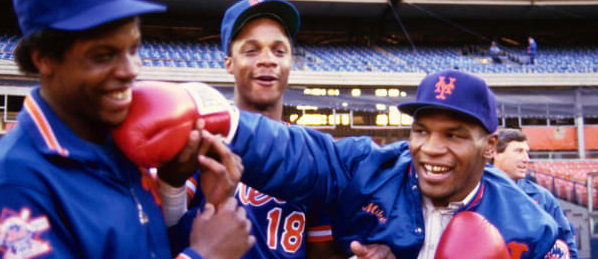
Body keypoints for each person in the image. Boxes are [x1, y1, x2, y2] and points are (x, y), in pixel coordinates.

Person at [0, 0, 252, 259]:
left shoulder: (114, 136)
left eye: (133, 49)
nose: (130, 70)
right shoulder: (15, 184)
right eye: (104, 55)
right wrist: (205, 256)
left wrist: (172, 184)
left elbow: (144, 246)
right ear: (44, 59)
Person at [222, 69, 568, 258]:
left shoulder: (533, 227)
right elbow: (299, 152)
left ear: (489, 146)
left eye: (453, 135)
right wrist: (221, 122)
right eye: (421, 130)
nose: (431, 148)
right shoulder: (368, 169)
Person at [177, 0, 346, 258]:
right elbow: (164, 225)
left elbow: (321, 251)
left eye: (279, 51)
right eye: (251, 50)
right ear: (229, 63)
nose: (268, 60)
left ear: (291, 63)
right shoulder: (204, 137)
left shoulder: (310, 154)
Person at [490, 129, 578, 258]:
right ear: (495, 153)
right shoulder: (476, 192)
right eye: (519, 151)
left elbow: (566, 243)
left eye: (527, 152)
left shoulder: (543, 197)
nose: (526, 159)